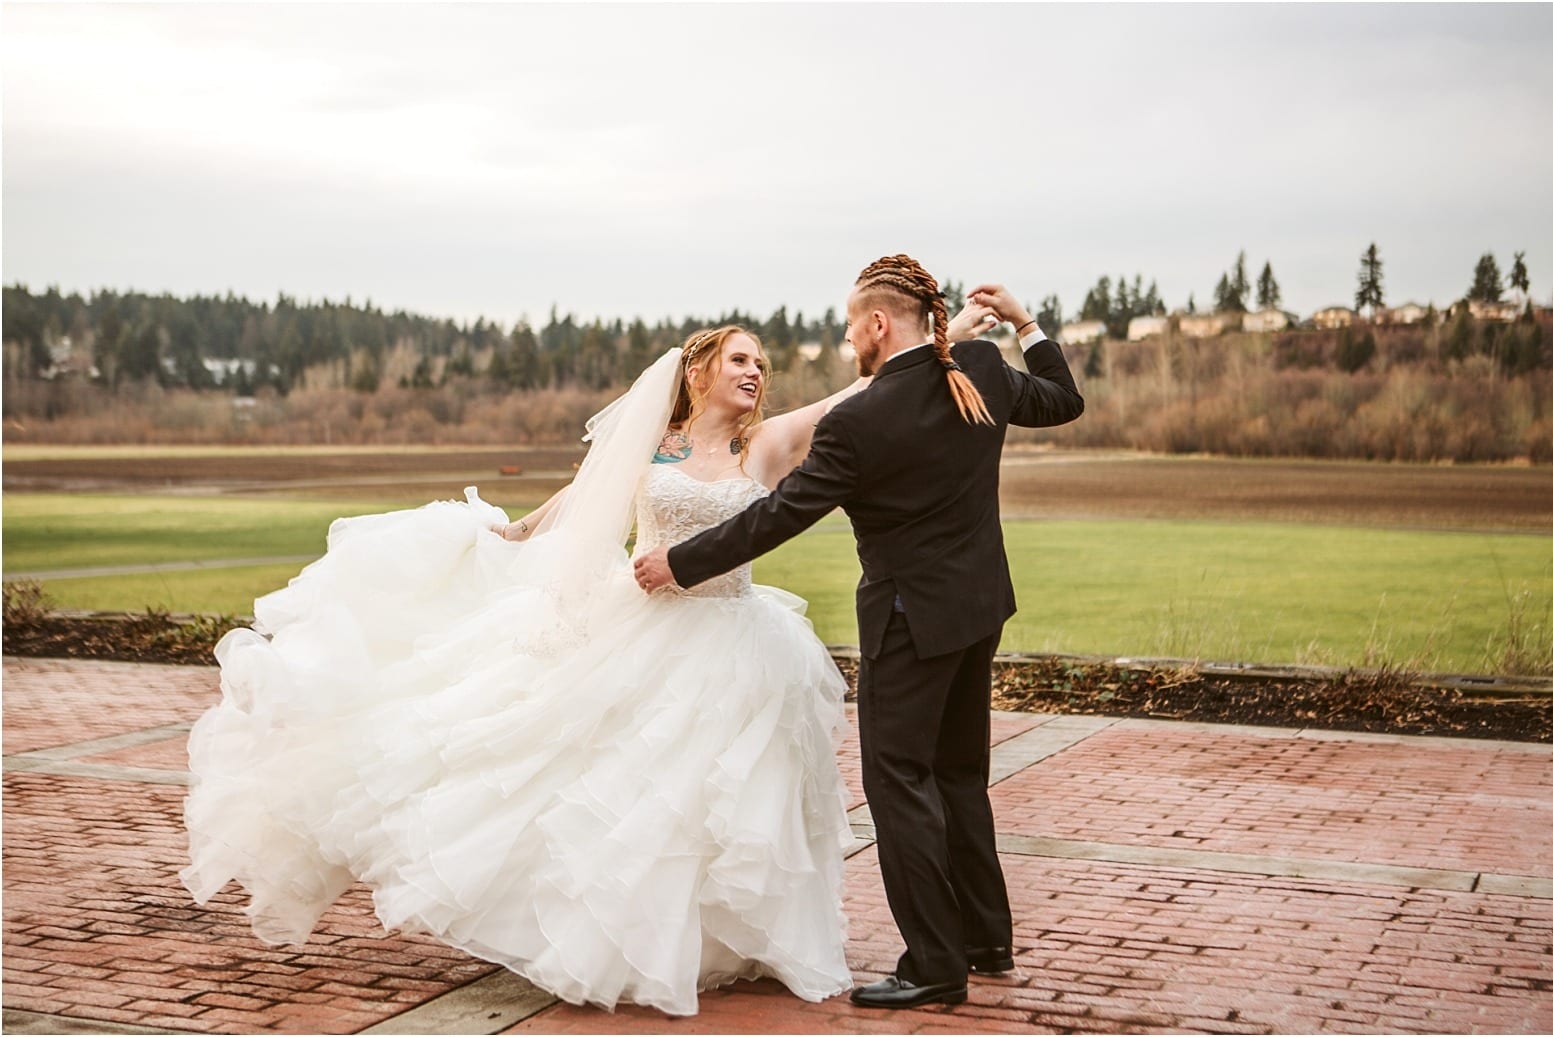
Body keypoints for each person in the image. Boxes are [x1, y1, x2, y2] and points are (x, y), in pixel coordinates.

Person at [182, 307, 998, 1016]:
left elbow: (863, 392)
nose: (756, 373)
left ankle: (719, 939)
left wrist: (946, 337)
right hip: (640, 628)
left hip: (737, 643)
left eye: (762, 363)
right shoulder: (653, 443)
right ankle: (613, 934)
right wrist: (514, 532)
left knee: (724, 803)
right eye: (741, 359)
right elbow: (583, 494)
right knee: (616, 787)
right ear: (701, 370)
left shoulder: (770, 445)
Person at [632, 255, 1085, 1010]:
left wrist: (677, 561)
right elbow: (1064, 400)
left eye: (850, 330)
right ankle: (985, 938)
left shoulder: (861, 421)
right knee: (960, 774)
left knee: (898, 782)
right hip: (978, 612)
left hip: (909, 625)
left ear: (878, 324)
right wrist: (1028, 323)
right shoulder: (980, 367)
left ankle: (935, 962)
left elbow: (774, 518)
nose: (849, 344)